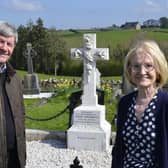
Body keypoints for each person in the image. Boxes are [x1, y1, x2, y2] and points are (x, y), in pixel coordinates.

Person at [112, 40, 168, 168]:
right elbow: (119, 149)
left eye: (148, 66)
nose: (142, 72)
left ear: (158, 69)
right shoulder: (124, 104)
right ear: (129, 70)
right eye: (136, 66)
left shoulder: (165, 103)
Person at [0, 21, 26, 168]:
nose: (5, 48)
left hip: (14, 158)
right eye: (1, 42)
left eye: (9, 44)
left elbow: (20, 116)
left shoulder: (15, 79)